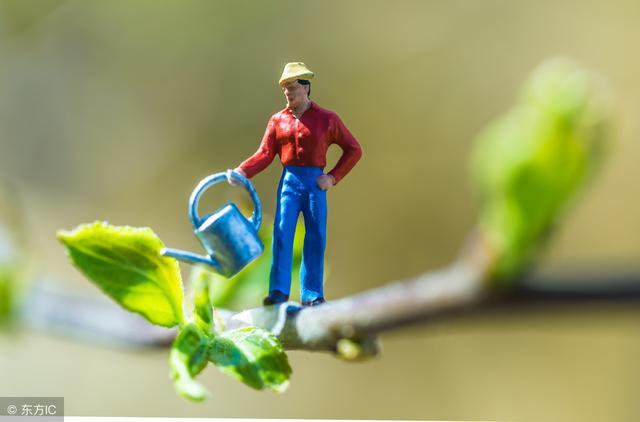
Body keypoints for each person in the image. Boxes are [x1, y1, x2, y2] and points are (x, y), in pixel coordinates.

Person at [234, 62, 362, 306]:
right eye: (285, 88)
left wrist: (333, 177)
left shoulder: (327, 119)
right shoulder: (278, 121)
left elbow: (354, 149)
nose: (288, 93)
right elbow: (264, 154)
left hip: (315, 182)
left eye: (292, 87)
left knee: (315, 236)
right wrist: (243, 171)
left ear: (305, 87)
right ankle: (279, 292)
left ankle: (312, 294)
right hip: (289, 181)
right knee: (282, 235)